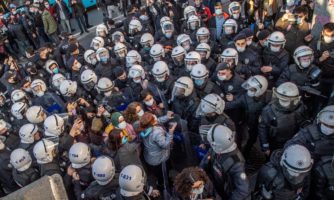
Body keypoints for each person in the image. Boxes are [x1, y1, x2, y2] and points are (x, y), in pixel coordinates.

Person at [200, 124, 250, 199]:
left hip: (225, 193)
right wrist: (199, 173)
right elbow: (204, 162)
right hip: (215, 185)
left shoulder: (237, 164)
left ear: (217, 145)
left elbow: (243, 190)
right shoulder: (216, 149)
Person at [139, 112, 176, 189]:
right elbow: (165, 145)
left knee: (158, 173)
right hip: (159, 160)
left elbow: (157, 120)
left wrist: (167, 117)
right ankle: (163, 185)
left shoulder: (144, 128)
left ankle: (161, 181)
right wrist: (170, 133)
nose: (155, 118)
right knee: (162, 174)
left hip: (150, 157)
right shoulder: (156, 132)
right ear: (152, 122)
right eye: (153, 117)